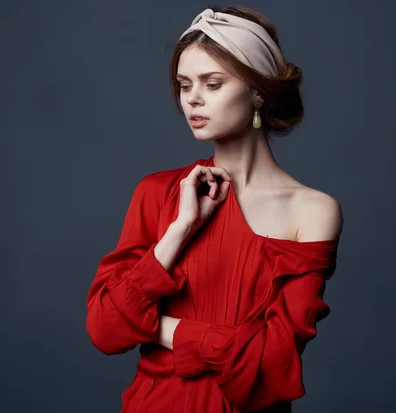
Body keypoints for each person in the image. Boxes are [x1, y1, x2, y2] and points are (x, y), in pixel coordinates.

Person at [85, 5, 343, 413]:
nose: (194, 100)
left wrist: (156, 327)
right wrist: (180, 230)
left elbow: (272, 365)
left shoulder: (313, 212)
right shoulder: (157, 194)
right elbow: (105, 330)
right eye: (184, 85)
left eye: (213, 83)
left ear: (258, 90)